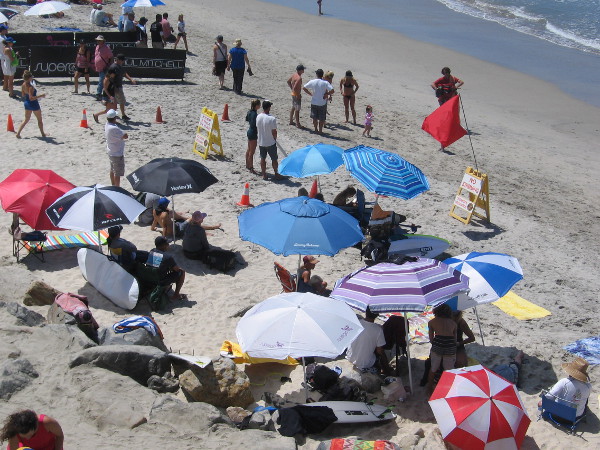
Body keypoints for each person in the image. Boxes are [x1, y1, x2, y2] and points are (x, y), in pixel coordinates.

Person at [346, 307, 391, 375]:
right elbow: (380, 351)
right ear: (377, 315)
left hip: (350, 357)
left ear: (366, 312)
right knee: (381, 353)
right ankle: (385, 371)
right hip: (365, 364)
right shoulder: (378, 330)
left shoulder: (356, 323)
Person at [428, 303, 457, 389]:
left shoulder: (432, 322)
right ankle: (447, 389)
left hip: (438, 345)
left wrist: (436, 343)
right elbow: (455, 340)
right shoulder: (454, 323)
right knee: (449, 370)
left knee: (433, 368)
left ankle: (429, 388)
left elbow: (431, 339)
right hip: (450, 346)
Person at [147, 236, 186, 300]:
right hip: (160, 281)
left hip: (151, 278)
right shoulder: (167, 257)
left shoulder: (152, 251)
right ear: (163, 245)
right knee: (181, 272)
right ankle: (176, 295)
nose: (168, 245)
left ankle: (165, 288)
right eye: (167, 244)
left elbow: (155, 265)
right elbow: (177, 269)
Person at [256, 100, 283, 181]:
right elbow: (274, 131)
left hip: (261, 141)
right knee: (274, 159)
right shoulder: (272, 118)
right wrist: (275, 138)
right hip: (270, 142)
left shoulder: (258, 116)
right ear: (268, 107)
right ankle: (276, 174)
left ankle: (264, 174)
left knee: (263, 158)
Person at [16, 71, 46, 139]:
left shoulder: (23, 84)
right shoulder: (30, 87)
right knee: (39, 119)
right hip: (33, 103)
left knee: (26, 120)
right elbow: (31, 98)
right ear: (29, 78)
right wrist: (41, 96)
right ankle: (43, 134)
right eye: (31, 77)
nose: (32, 77)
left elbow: (23, 94)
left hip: (26, 103)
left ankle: (18, 133)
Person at [303, 69, 334, 134]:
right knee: (321, 118)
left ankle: (315, 129)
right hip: (322, 102)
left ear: (316, 74)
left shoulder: (313, 81)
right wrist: (327, 94)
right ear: (322, 75)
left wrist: (310, 94)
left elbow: (304, 88)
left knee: (314, 117)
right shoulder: (325, 83)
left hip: (314, 102)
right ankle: (320, 130)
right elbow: (332, 90)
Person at [108, 53, 137, 121]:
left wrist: (131, 79)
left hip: (117, 87)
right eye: (122, 60)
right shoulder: (114, 67)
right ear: (118, 60)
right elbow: (109, 78)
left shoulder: (119, 66)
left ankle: (115, 115)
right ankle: (122, 115)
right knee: (121, 101)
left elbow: (124, 73)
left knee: (116, 102)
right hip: (116, 87)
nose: (123, 62)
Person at [104, 109, 128, 186]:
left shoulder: (107, 125)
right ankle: (116, 188)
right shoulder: (114, 128)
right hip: (117, 153)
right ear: (114, 118)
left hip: (111, 151)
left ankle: (113, 185)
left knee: (112, 170)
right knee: (117, 173)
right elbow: (125, 136)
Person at [94, 35, 113, 101]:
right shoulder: (97, 47)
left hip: (105, 67)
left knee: (102, 81)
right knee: (103, 81)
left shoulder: (106, 48)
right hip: (100, 67)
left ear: (103, 41)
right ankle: (104, 94)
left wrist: (109, 66)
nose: (98, 41)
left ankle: (98, 93)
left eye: (99, 40)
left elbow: (111, 57)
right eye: (97, 40)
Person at [245, 99, 261, 173]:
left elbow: (247, 119)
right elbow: (256, 125)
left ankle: (247, 164)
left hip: (249, 131)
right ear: (256, 106)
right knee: (252, 152)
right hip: (253, 133)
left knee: (249, 149)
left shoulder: (249, 112)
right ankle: (251, 167)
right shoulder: (256, 115)